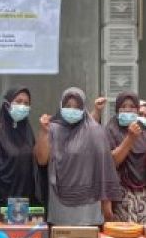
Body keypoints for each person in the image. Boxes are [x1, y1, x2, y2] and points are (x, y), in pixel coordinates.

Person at [35, 87, 122, 225]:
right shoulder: (52, 129)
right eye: (68, 106)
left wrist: (107, 206)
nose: (72, 110)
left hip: (89, 206)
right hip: (59, 205)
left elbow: (103, 169)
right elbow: (41, 160)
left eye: (77, 106)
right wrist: (44, 132)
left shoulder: (95, 132)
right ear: (61, 106)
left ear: (83, 108)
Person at [0, 87, 44, 209]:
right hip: (1, 199)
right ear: (7, 104)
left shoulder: (28, 132)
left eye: (26, 103)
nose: (22, 106)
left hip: (25, 199)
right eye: (18, 101)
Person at [105, 91, 146, 223]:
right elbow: (112, 162)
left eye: (132, 107)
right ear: (117, 109)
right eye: (123, 106)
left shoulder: (144, 131)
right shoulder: (110, 130)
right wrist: (130, 139)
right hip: (121, 195)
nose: (128, 110)